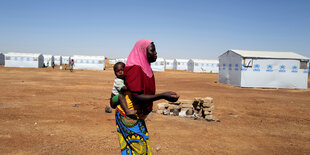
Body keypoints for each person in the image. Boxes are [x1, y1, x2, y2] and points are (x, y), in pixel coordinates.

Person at [115, 39, 179, 154]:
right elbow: (137, 96)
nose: (155, 53)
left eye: (155, 51)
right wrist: (162, 95)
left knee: (140, 150)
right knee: (141, 151)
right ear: (143, 52)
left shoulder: (145, 68)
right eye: (152, 50)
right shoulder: (135, 69)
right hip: (129, 116)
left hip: (137, 117)